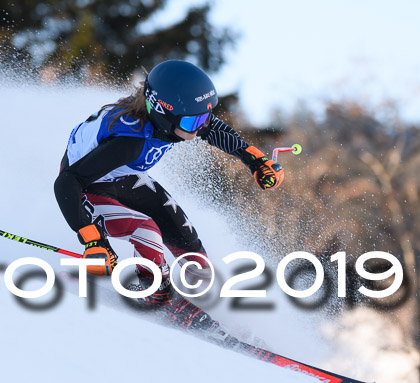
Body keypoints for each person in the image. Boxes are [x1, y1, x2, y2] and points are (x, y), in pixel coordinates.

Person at [53, 60, 283, 337]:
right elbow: (67, 181)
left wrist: (256, 160)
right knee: (146, 230)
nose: (200, 128)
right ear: (162, 113)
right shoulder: (130, 140)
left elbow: (213, 128)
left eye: (204, 117)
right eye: (193, 121)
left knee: (190, 250)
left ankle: (208, 306)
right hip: (87, 185)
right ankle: (157, 296)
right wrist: (93, 240)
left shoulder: (177, 121)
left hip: (122, 177)